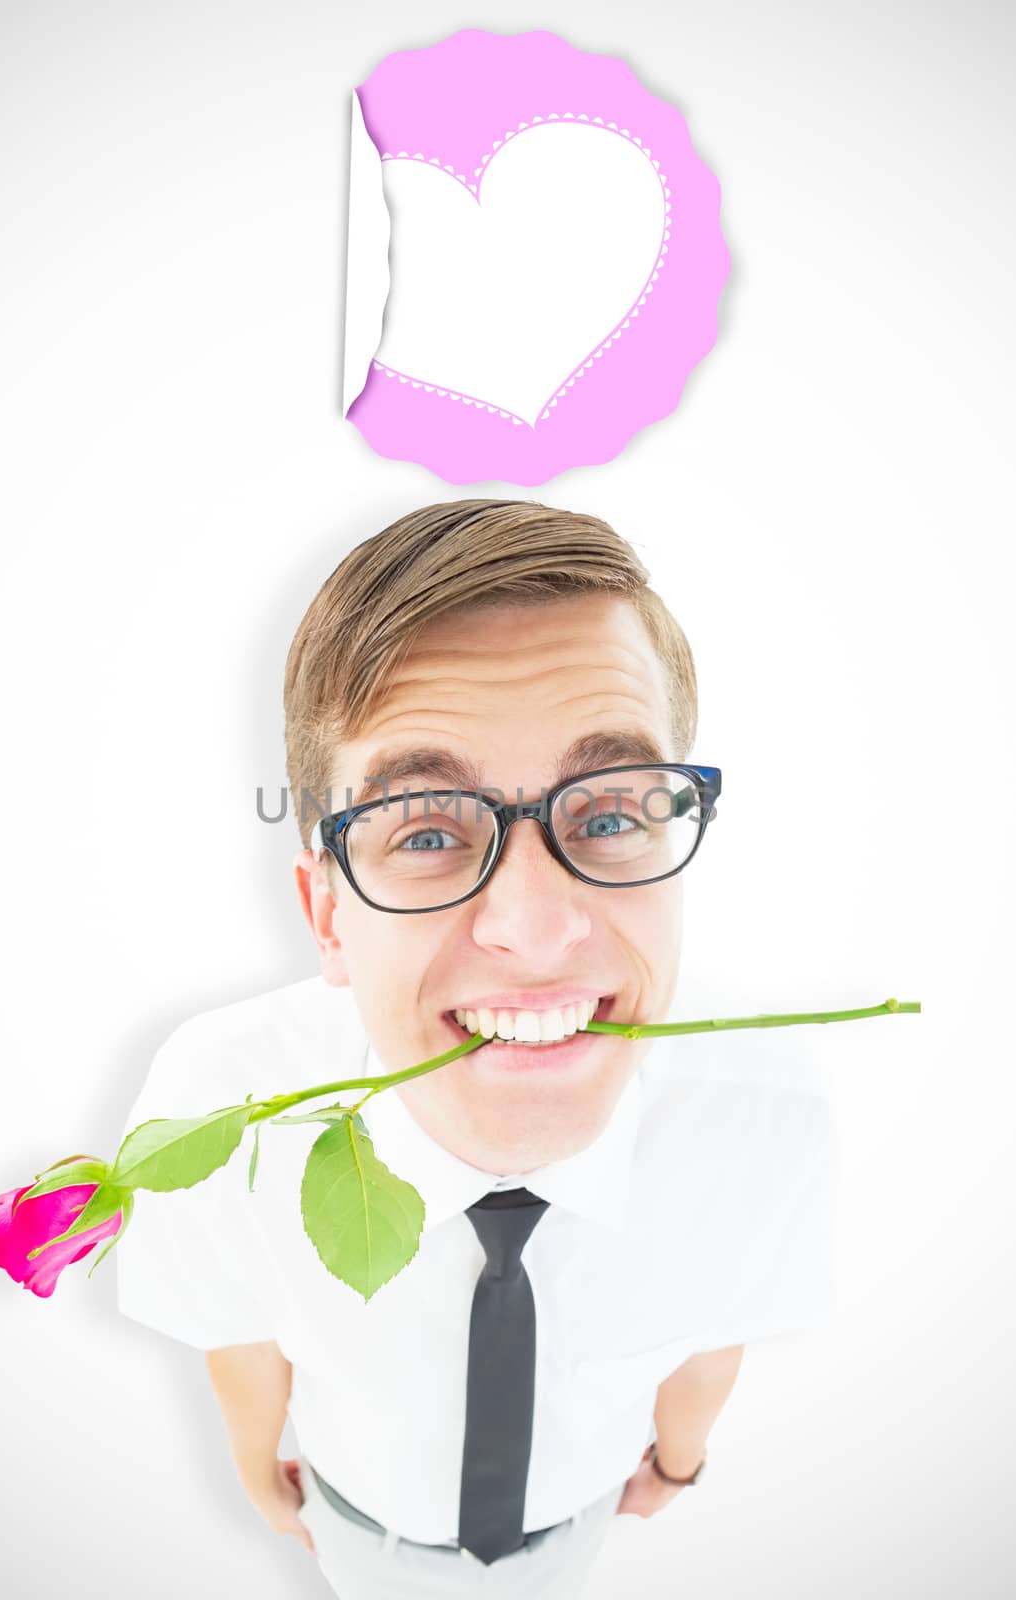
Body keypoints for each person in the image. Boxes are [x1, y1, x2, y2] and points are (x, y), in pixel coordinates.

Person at [115, 498, 836, 1600]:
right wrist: (260, 1475)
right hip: (358, 1528)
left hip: (578, 1519)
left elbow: (713, 1332)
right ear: (326, 918)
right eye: (427, 830)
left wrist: (676, 1467)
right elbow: (236, 1330)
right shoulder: (215, 1105)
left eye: (605, 815)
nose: (537, 930)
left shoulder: (765, 1109)